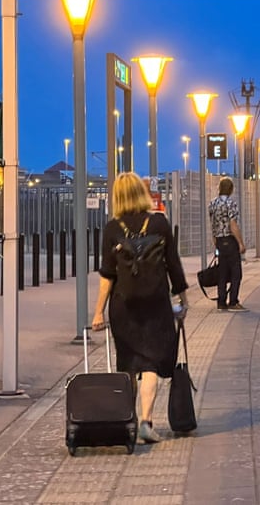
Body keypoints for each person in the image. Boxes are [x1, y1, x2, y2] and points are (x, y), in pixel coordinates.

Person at [92, 172, 189, 444]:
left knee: (128, 364)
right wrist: (183, 298)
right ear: (141, 193)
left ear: (117, 197)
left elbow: (107, 275)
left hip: (123, 307)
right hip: (156, 304)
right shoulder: (159, 223)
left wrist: (98, 312)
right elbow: (173, 264)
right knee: (151, 365)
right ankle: (146, 422)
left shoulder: (112, 229)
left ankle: (128, 421)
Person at [208, 176, 247, 312]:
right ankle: (233, 302)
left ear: (220, 188)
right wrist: (240, 243)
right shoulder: (231, 204)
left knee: (222, 272)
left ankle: (221, 302)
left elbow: (213, 223)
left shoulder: (212, 204)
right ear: (231, 189)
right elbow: (233, 225)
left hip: (219, 240)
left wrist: (215, 239)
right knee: (236, 273)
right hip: (230, 241)